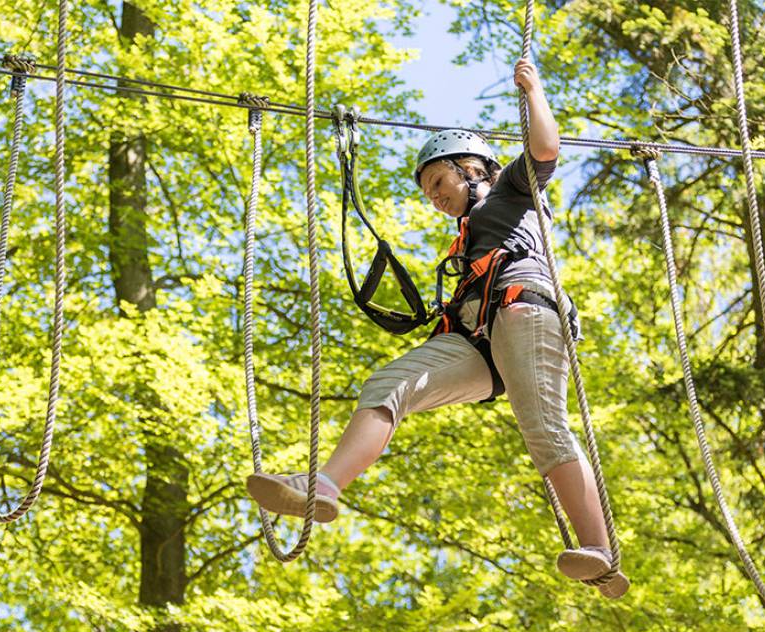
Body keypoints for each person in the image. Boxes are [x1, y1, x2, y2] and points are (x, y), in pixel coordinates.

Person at [247, 59, 628, 599]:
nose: (434, 195)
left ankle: (598, 550)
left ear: (474, 168)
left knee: (542, 425)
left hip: (523, 313)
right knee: (386, 385)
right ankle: (324, 485)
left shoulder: (510, 193)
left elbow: (545, 149)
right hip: (477, 341)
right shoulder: (465, 240)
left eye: (438, 180)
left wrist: (534, 90)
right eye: (428, 189)